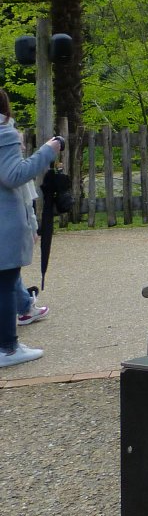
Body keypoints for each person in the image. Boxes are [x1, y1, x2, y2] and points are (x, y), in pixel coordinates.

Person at [0, 89, 62, 368]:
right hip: (4, 222)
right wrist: (48, 152)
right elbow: (14, 176)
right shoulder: (4, 132)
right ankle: (8, 348)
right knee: (5, 282)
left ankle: (26, 308)